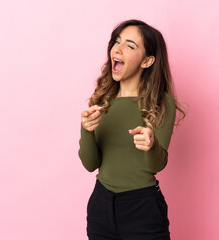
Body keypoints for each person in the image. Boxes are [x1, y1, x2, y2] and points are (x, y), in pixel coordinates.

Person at [78, 19, 185, 240]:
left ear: (147, 61)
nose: (117, 48)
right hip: (101, 204)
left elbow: (157, 165)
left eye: (130, 45)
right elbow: (90, 164)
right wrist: (86, 130)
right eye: (117, 41)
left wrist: (151, 144)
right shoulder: (101, 101)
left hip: (142, 208)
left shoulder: (161, 103)